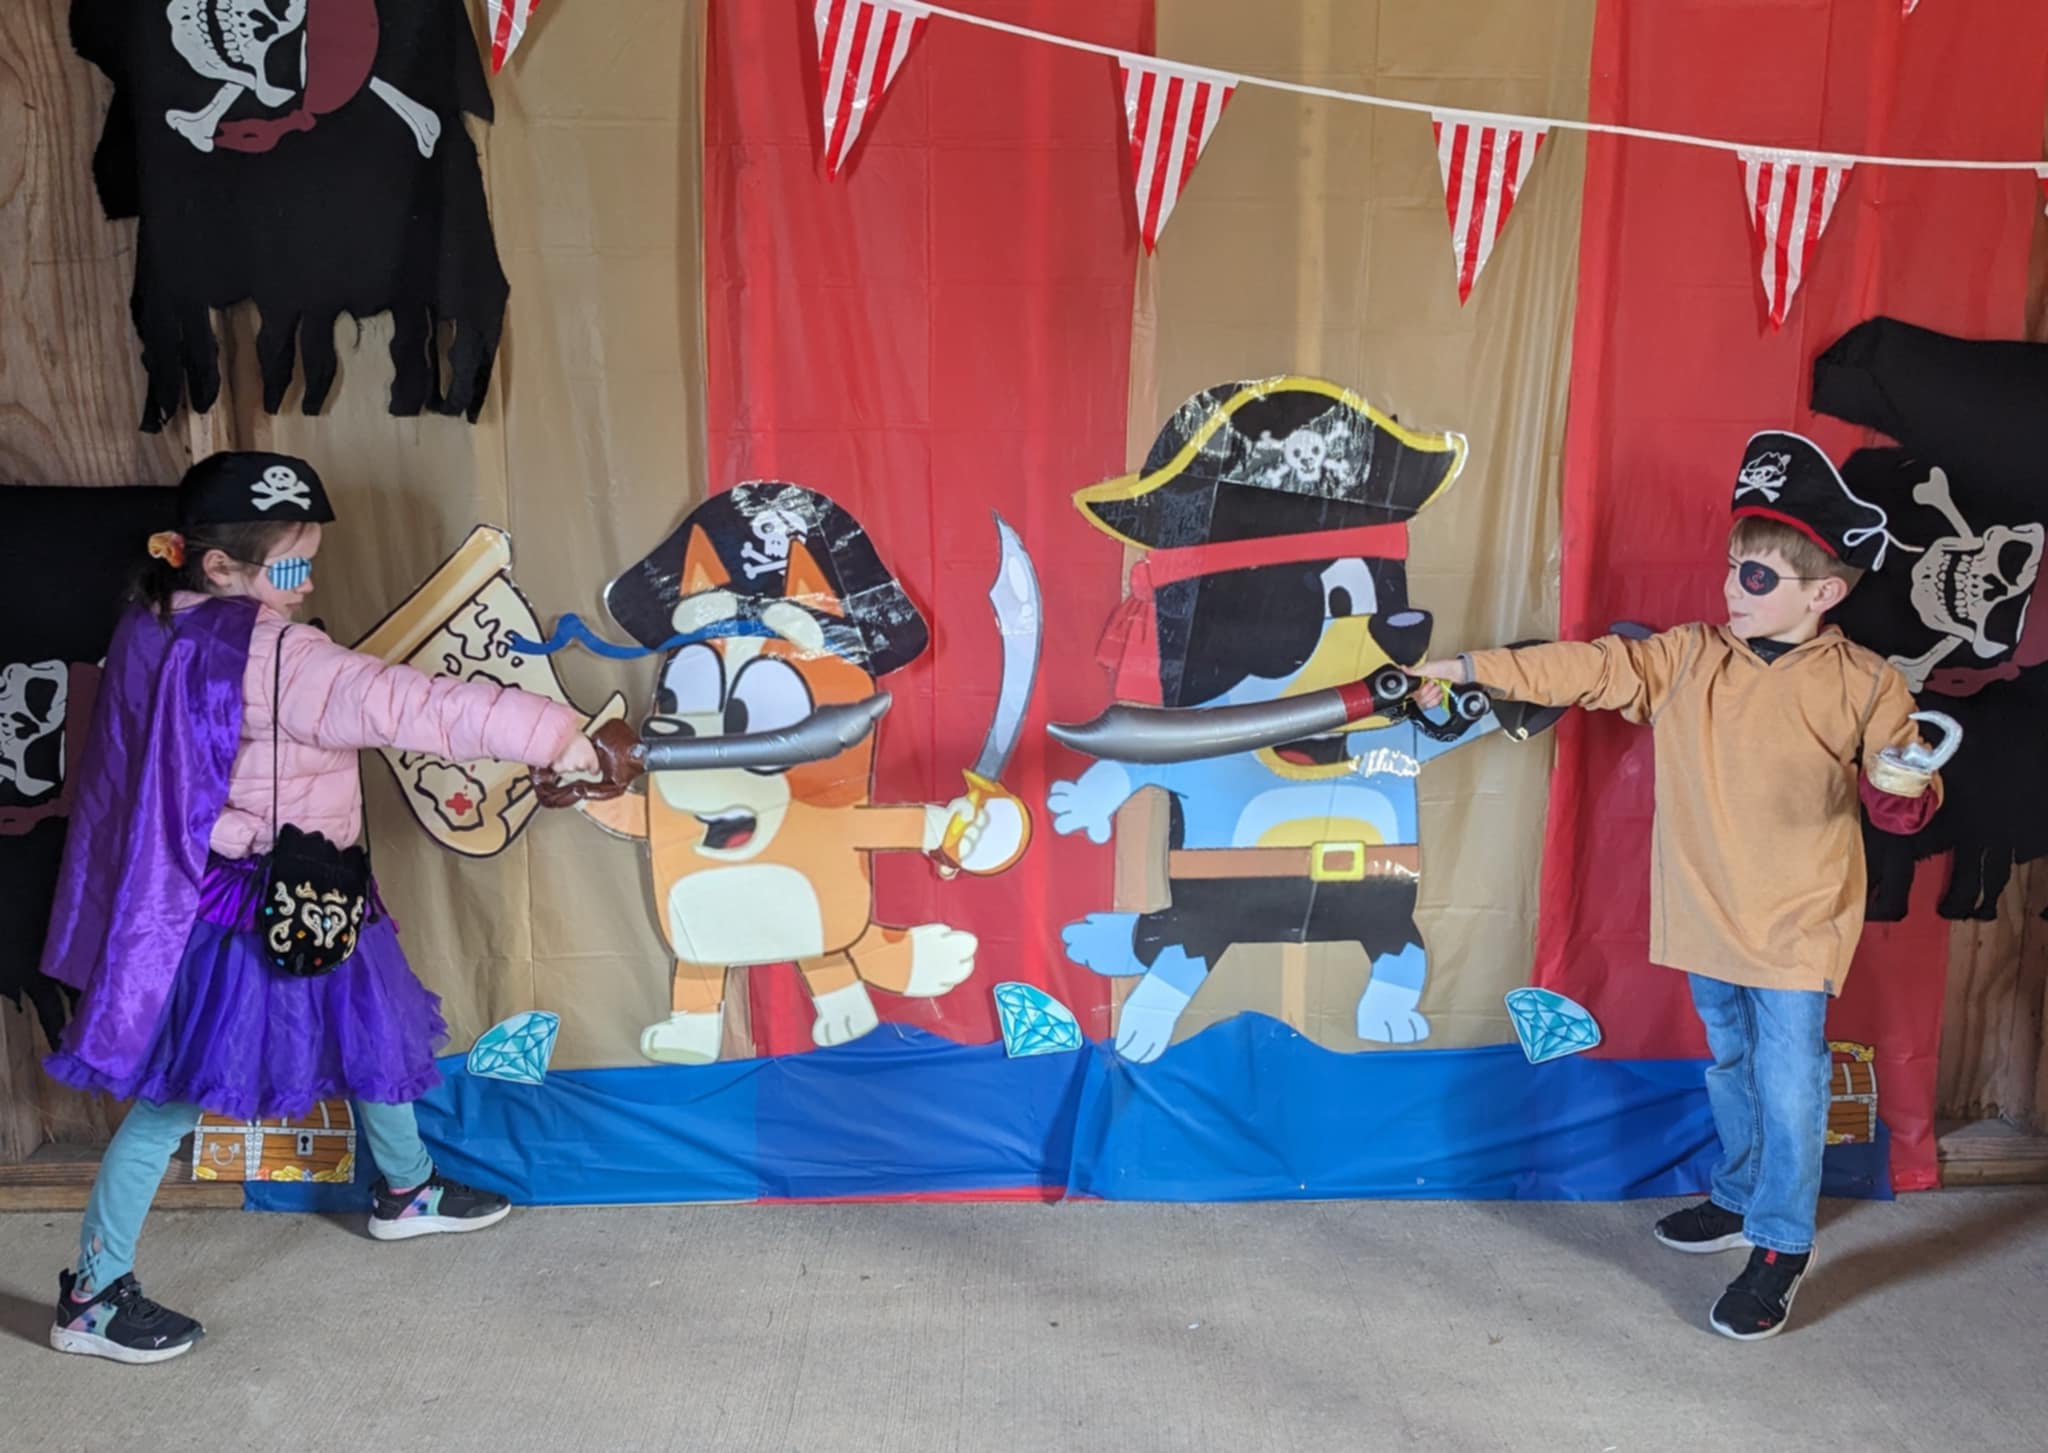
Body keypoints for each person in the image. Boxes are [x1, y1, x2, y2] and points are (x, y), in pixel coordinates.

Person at [38, 452, 602, 1364]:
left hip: (309, 883)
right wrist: (558, 735)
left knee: (374, 1027)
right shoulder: (280, 657)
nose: (306, 584)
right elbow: (410, 705)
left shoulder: (154, 621)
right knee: (175, 1096)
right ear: (219, 565)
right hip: (253, 904)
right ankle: (92, 1295)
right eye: (293, 564)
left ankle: (406, 1189)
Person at [1415, 432, 1948, 1342]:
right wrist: (1467, 668)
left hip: (1798, 924)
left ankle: (1780, 1243)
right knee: (1731, 1062)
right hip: (1705, 911)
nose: (1734, 587)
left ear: (1822, 593)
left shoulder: (1866, 684)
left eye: (1759, 576)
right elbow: (1588, 667)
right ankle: (1739, 1193)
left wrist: (1902, 790)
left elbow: (1908, 794)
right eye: (1734, 566)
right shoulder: (1691, 657)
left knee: (1790, 1080)